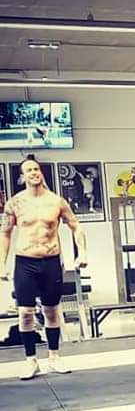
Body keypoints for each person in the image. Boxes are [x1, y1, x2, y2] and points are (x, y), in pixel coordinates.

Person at [0, 158, 87, 379]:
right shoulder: (15, 203)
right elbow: (5, 234)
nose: (34, 173)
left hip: (50, 262)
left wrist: (83, 253)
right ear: (22, 177)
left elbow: (75, 225)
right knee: (25, 313)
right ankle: (31, 360)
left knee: (51, 311)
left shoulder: (56, 201)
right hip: (25, 262)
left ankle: (54, 357)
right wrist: (2, 264)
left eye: (36, 169)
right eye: (29, 170)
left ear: (41, 172)